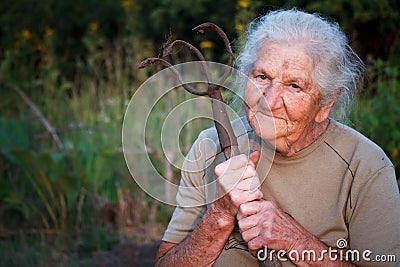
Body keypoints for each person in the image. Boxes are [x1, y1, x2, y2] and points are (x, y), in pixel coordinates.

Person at [155, 8, 400, 266]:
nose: (268, 101)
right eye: (262, 77)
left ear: (326, 104)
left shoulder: (366, 167)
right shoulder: (209, 147)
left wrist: (297, 242)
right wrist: (219, 215)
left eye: (294, 86)